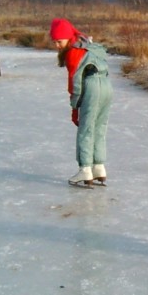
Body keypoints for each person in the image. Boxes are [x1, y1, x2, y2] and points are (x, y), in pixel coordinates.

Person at [49, 17, 113, 187]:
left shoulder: (73, 52)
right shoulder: (88, 46)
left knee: (85, 129)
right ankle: (99, 167)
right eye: (54, 42)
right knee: (99, 127)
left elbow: (75, 82)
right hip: (107, 86)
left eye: (59, 41)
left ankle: (85, 169)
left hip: (91, 87)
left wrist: (74, 107)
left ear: (68, 38)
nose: (57, 46)